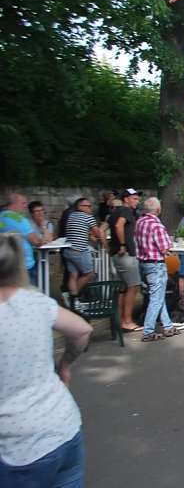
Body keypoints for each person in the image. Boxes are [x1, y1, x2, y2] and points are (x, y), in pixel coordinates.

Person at [0, 233, 93, 487]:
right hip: (63, 425)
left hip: (18, 447)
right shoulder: (36, 301)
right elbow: (82, 330)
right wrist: (65, 365)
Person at [135, 197, 181, 342]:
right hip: (156, 264)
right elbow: (165, 248)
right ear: (158, 210)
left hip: (143, 262)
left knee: (158, 296)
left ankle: (167, 326)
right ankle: (148, 330)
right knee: (156, 298)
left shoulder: (140, 222)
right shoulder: (157, 225)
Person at [107, 188, 143, 332]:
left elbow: (103, 229)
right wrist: (122, 244)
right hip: (126, 255)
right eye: (134, 199)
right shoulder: (126, 211)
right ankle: (127, 321)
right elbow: (118, 225)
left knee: (122, 289)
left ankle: (119, 321)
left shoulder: (114, 212)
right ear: (126, 200)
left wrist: (108, 246)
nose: (137, 201)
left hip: (117, 255)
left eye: (137, 199)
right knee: (133, 287)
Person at [0, 193, 46, 286]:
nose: (25, 206)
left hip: (5, 262)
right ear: (14, 204)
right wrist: (42, 240)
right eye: (23, 203)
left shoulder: (1, 216)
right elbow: (36, 241)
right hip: (24, 264)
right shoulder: (19, 218)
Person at [63, 197, 104, 298]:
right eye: (88, 206)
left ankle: (73, 299)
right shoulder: (88, 217)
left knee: (73, 275)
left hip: (68, 250)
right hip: (79, 250)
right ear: (79, 206)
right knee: (89, 274)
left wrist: (90, 235)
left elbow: (79, 231)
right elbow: (98, 233)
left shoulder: (71, 216)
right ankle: (72, 295)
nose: (90, 208)